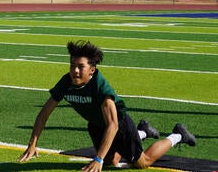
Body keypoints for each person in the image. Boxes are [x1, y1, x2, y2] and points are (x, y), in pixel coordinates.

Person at [17, 40, 196, 171]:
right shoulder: (66, 82)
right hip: (96, 126)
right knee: (112, 161)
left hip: (119, 125)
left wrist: (98, 158)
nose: (75, 71)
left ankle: (177, 135)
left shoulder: (100, 86)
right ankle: (144, 132)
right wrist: (33, 144)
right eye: (72, 65)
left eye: (80, 67)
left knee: (142, 163)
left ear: (92, 70)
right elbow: (44, 114)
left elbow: (113, 125)